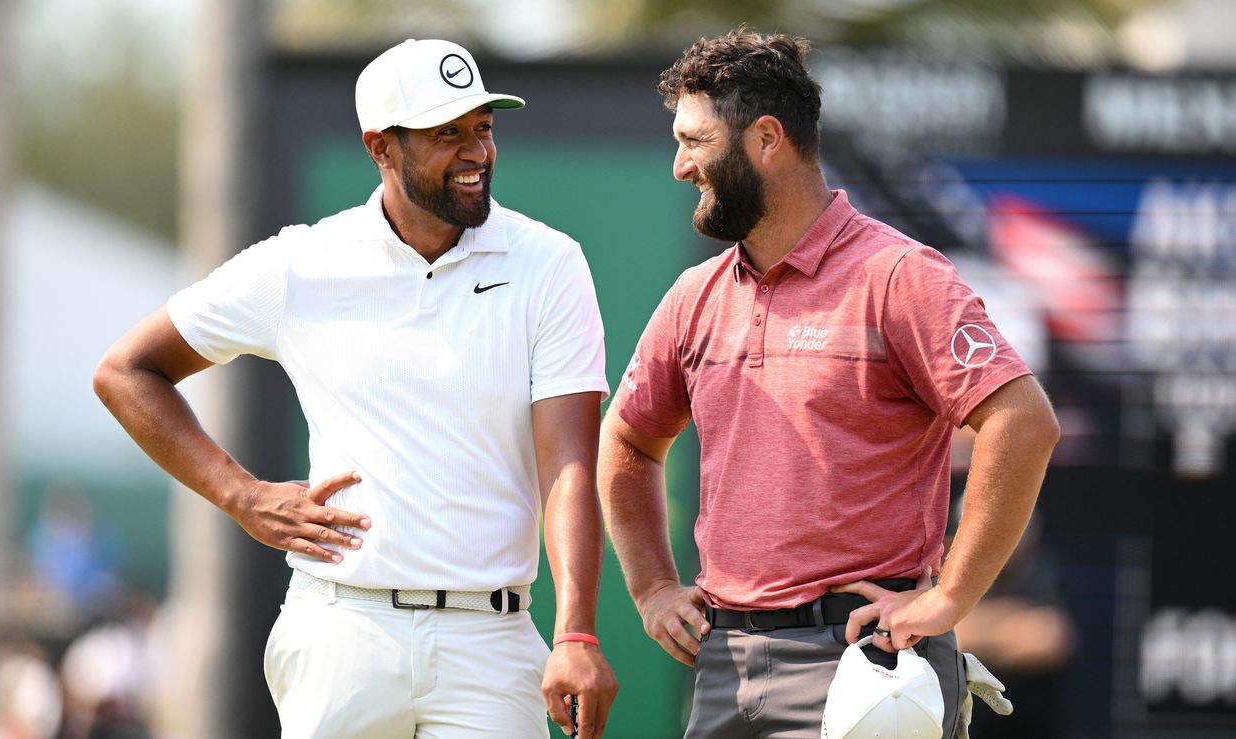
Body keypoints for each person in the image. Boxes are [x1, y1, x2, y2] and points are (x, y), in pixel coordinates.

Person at [94, 38, 616, 738]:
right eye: (446, 134)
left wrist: (576, 633)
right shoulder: (302, 262)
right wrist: (240, 494)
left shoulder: (550, 264)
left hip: (490, 641)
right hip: (342, 629)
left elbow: (569, 465)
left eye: (483, 128)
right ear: (381, 147)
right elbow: (126, 370)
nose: (476, 152)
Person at [597, 28, 1059, 738]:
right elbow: (628, 438)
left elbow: (1023, 421)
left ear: (766, 140)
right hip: (725, 664)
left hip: (865, 666)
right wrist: (653, 586)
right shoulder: (695, 296)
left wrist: (948, 599)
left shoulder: (900, 276)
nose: (679, 165)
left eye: (695, 140)